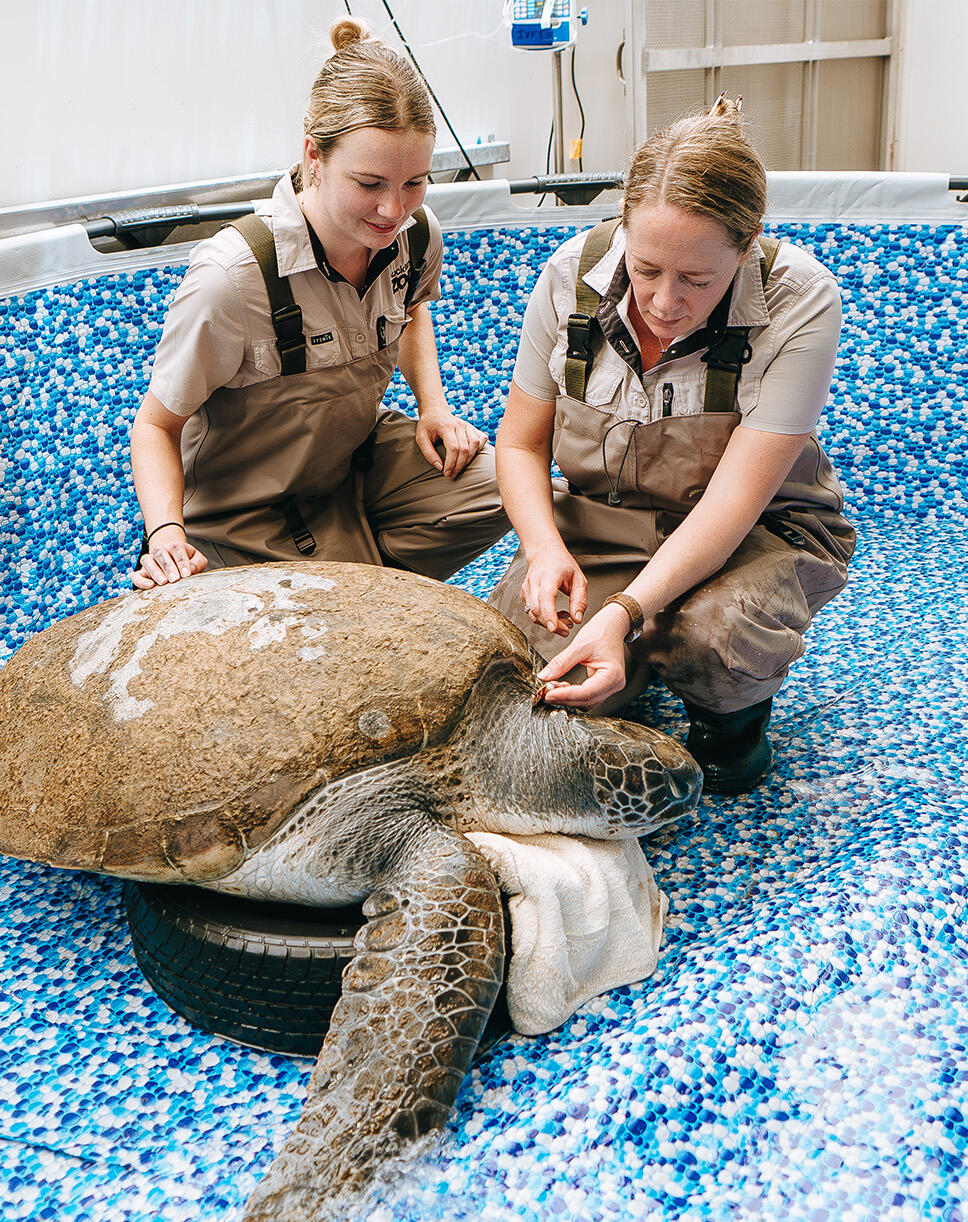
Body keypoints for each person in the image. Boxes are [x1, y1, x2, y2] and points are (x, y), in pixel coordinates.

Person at [490, 97, 857, 796]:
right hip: (605, 521)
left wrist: (625, 613)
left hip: (754, 530)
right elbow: (518, 442)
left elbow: (732, 506)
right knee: (528, 682)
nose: (663, 301)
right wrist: (544, 552)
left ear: (747, 243)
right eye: (648, 267)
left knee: (710, 636)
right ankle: (632, 657)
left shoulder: (802, 300)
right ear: (623, 226)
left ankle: (731, 721)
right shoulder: (571, 277)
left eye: (696, 280)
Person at [128, 16, 508, 590]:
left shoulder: (416, 236)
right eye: (370, 183)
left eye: (414, 183)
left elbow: (410, 312)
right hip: (242, 516)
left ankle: (366, 583)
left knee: (521, 488)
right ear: (314, 155)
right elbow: (155, 426)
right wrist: (165, 536)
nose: (393, 210)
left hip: (350, 471)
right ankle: (352, 588)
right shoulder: (232, 279)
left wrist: (435, 406)